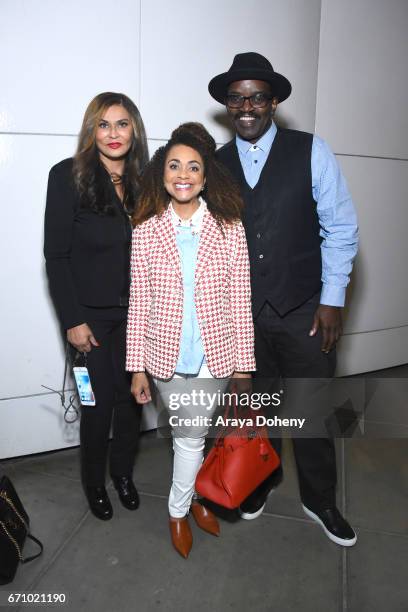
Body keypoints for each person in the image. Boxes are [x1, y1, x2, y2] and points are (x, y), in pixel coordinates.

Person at [208, 52, 359, 546]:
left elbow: (340, 227)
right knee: (258, 408)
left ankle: (321, 500)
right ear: (228, 105)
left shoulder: (311, 151)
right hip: (244, 318)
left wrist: (332, 298)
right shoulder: (214, 163)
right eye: (237, 98)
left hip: (303, 311)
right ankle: (260, 480)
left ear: (273, 102)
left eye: (256, 96)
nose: (246, 105)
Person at [126, 122, 255, 558]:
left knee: (192, 436)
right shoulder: (145, 230)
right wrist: (136, 367)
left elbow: (240, 300)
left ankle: (189, 503)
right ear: (163, 173)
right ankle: (181, 509)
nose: (183, 174)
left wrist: (243, 365)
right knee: (191, 437)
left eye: (193, 167)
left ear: (206, 176)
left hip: (213, 360)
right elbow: (138, 303)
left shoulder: (229, 228)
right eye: (174, 165)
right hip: (163, 360)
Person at [44, 92, 149, 520]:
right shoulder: (67, 175)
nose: (113, 133)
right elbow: (56, 256)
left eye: (122, 123)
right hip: (88, 320)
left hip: (137, 318)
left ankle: (122, 474)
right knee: (95, 404)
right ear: (92, 131)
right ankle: (94, 483)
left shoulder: (146, 182)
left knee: (131, 403)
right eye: (103, 125)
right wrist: (72, 320)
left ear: (134, 130)